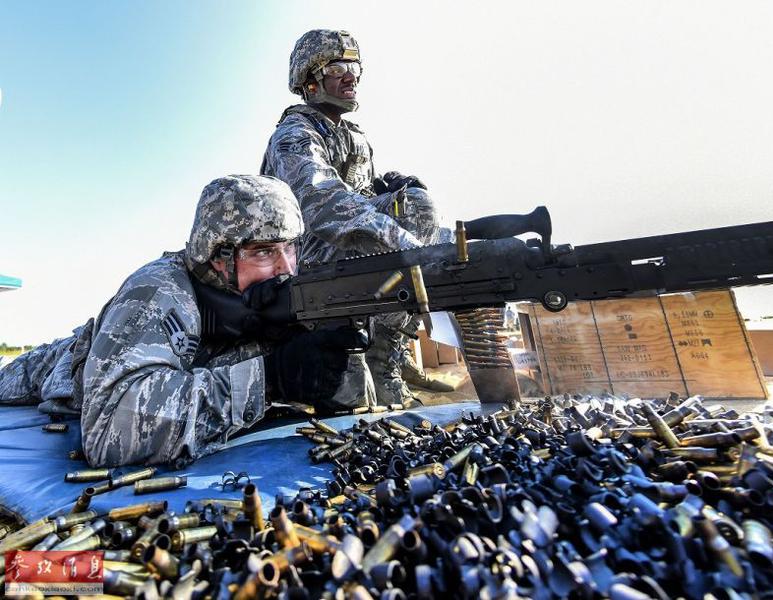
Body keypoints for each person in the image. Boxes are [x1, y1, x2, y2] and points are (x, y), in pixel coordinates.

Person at [0, 175, 372, 467]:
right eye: (264, 252)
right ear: (219, 256)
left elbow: (349, 403)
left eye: (290, 247)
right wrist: (271, 377)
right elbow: (110, 428)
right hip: (65, 366)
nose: (286, 268)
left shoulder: (271, 291)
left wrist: (334, 349)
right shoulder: (157, 289)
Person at [260, 29, 453, 406]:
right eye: (337, 66)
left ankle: (387, 350)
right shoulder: (294, 134)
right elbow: (323, 204)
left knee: (437, 229)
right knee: (417, 213)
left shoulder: (353, 136)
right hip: (305, 260)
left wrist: (388, 193)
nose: (351, 76)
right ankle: (379, 357)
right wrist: (411, 242)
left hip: (345, 251)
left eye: (354, 67)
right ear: (309, 80)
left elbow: (359, 199)